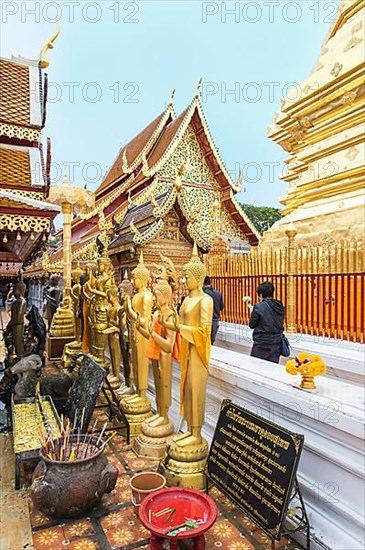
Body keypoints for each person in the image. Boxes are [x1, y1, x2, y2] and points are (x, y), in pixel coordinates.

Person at [248, 281, 284, 364]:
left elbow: (252, 325)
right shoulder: (280, 305)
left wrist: (252, 312)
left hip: (262, 343)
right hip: (276, 342)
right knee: (272, 368)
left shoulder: (259, 306)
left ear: (260, 295)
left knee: (256, 367)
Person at [203, 276, 224, 344]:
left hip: (204, 320)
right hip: (215, 320)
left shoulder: (202, 294)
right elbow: (221, 307)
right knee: (211, 342)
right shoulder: (218, 293)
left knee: (204, 342)